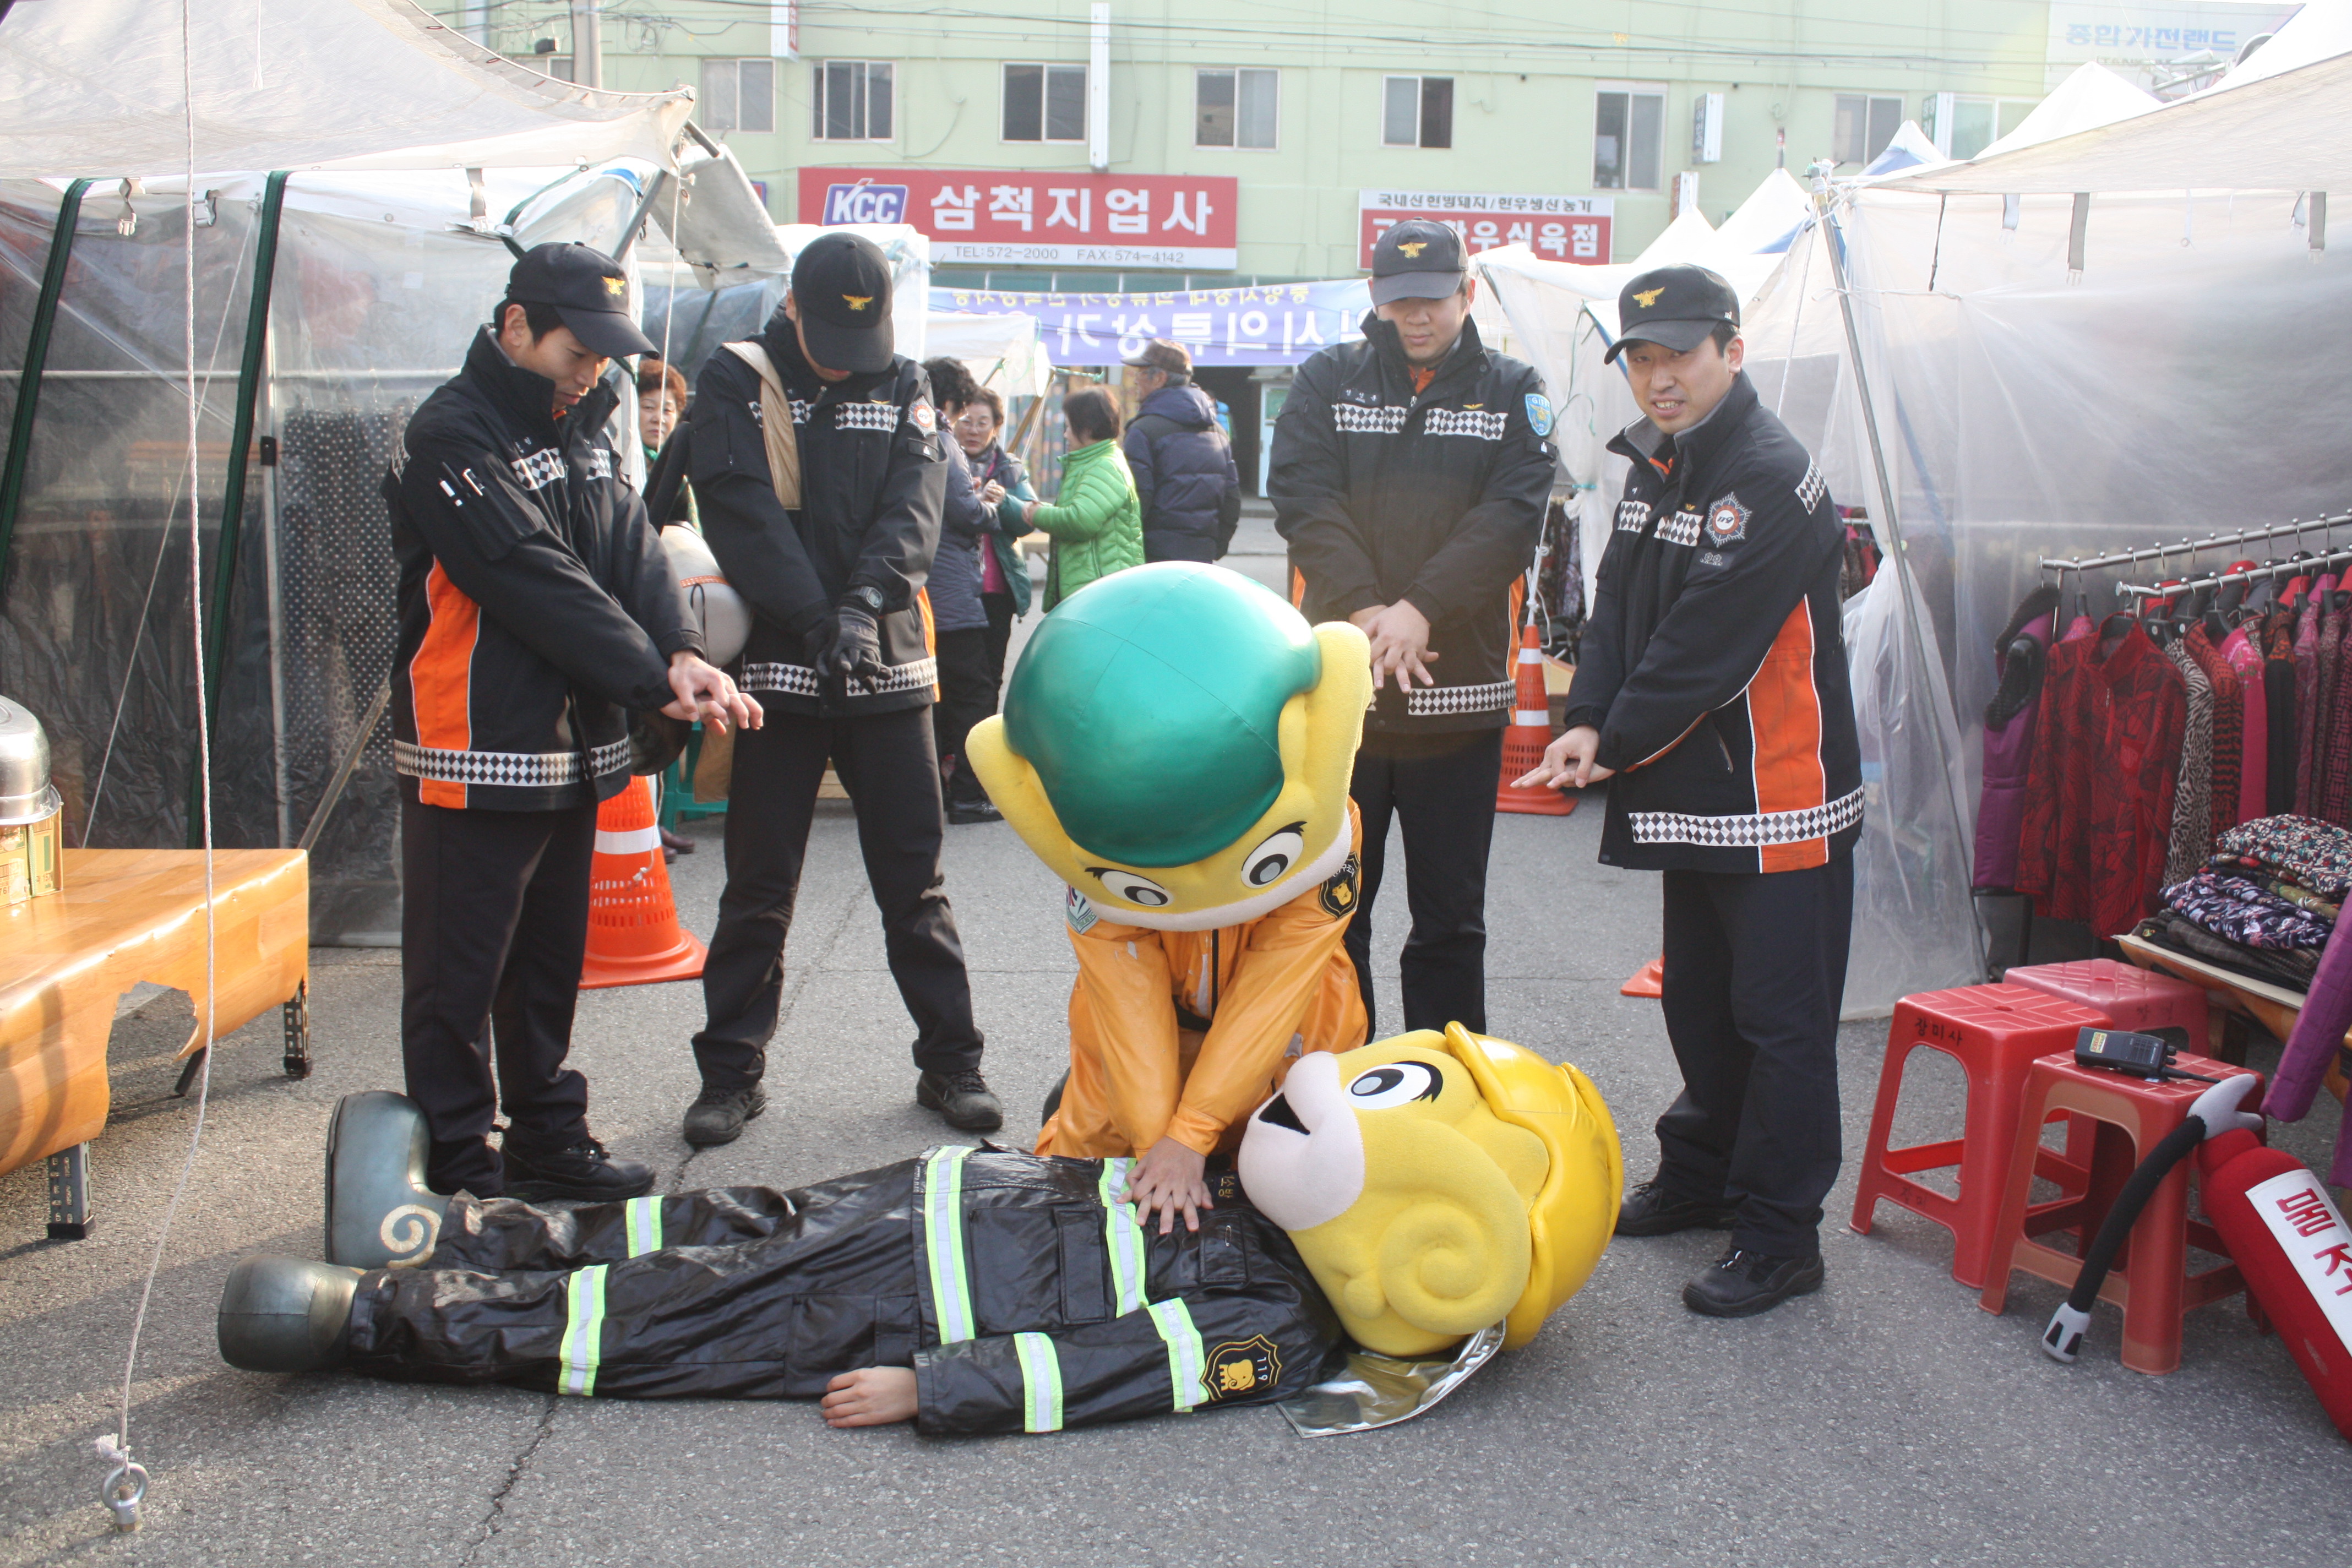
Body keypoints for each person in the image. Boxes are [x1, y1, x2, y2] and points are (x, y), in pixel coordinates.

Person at [217, 1026, 1619, 1429]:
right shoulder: (1254, 1179)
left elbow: (1107, 1368)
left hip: (906, 1308)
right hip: (921, 1199)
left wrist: (936, 1385)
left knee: (662, 1311)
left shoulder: (1280, 1325)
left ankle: (370, 1316)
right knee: (684, 1222)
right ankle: (433, 1227)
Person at [1520, 263, 1862, 1319]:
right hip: (1694, 783)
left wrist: (1607, 739)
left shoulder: (1768, 472)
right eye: (1641, 359)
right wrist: (1585, 714)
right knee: (1699, 999)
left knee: (1779, 1020)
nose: (1659, 378)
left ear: (1732, 351)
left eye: (1680, 355)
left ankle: (1781, 1233)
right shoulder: (1655, 462)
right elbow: (1618, 605)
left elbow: (1705, 642)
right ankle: (1703, 1172)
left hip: (1778, 789)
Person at [385, 242, 759, 1203]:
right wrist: (648, 675)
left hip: (576, 742)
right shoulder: (451, 433)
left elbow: (632, 547)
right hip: (475, 743)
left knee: (549, 962)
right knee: (460, 974)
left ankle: (547, 1134)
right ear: (516, 327)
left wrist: (681, 647)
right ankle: (458, 1165)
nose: (591, 370)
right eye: (575, 351)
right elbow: (530, 578)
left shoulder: (588, 424)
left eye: (602, 355)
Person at [680, 231, 1000, 1146]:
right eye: (829, 341)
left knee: (915, 883)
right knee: (758, 885)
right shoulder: (735, 378)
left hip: (888, 662)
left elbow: (915, 506)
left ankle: (952, 1063)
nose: (847, 361)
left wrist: (862, 606)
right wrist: (818, 617)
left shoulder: (903, 381)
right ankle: (731, 1074)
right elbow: (739, 509)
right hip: (781, 672)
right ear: (791, 307)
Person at [965, 564, 1371, 1229]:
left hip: (1293, 1031)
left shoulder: (1321, 825)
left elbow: (1276, 982)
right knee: (1083, 1193)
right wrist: (1160, 1142)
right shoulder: (1090, 829)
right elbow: (1125, 989)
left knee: (1305, 1201)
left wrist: (1191, 1134)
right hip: (1138, 1049)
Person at [1267, 219, 1555, 1039]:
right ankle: (1338, 1071)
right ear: (1375, 296)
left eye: (1433, 299)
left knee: (1451, 920)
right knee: (1332, 908)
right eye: (1400, 301)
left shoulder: (1514, 389)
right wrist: (1367, 610)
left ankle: (1448, 1074)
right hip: (1343, 696)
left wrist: (1419, 608)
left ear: (1468, 293)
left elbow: (1510, 517)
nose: (1417, 317)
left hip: (1457, 701)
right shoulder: (1328, 378)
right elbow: (1303, 497)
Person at [919, 355, 1006, 825]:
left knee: (930, 698)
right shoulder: (941, 438)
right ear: (951, 403)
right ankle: (969, 795)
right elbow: (966, 513)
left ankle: (930, 794)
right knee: (972, 695)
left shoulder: (907, 433)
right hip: (950, 589)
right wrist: (987, 505)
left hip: (920, 590)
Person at [1020, 386, 1144, 611]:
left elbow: (1080, 521)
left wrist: (1037, 514)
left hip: (1102, 592)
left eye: (1069, 427)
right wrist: (1042, 509)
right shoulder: (1092, 462)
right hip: (1094, 587)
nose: (1066, 435)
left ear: (1087, 429)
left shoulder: (1104, 466)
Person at [1121, 339, 1243, 564]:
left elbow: (1137, 502)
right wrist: (1215, 546)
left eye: (1141, 372)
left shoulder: (1143, 430)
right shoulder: (1217, 431)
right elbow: (1232, 499)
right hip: (1202, 556)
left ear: (1159, 378)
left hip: (1154, 558)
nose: (1136, 379)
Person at [951, 386, 1035, 707]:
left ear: (997, 426)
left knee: (990, 673)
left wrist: (1005, 502)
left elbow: (1028, 520)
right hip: (955, 587)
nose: (973, 430)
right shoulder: (944, 460)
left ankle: (982, 735)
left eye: (982, 422)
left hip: (996, 589)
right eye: (966, 421)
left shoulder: (1009, 467)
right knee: (954, 675)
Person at [636, 357, 695, 527]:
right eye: (648, 407)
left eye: (667, 410)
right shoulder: (618, 463)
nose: (658, 419)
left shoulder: (686, 467)